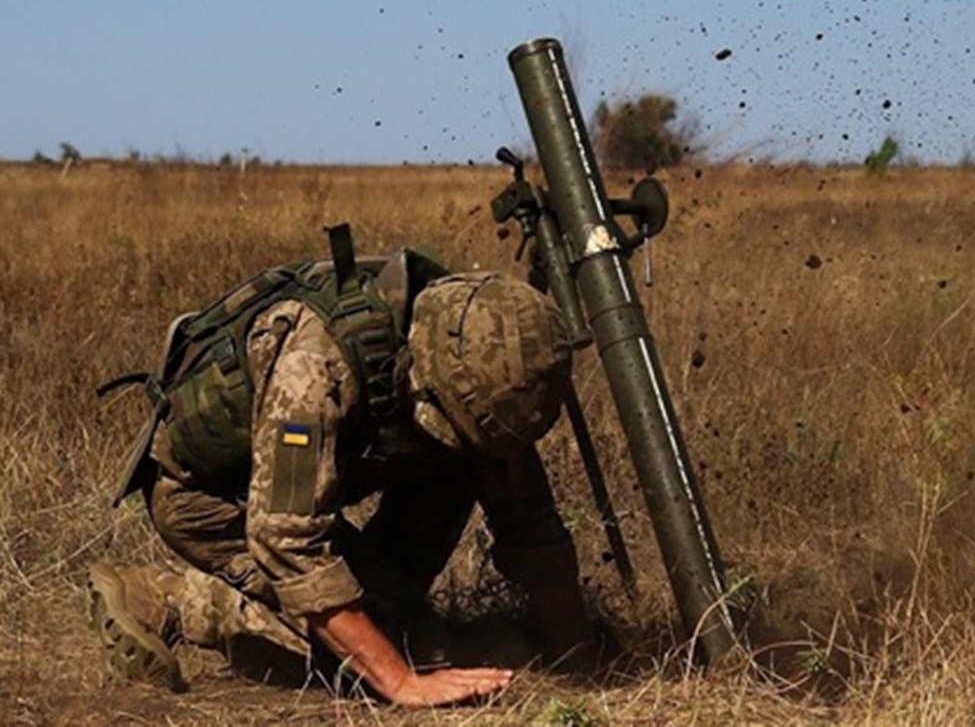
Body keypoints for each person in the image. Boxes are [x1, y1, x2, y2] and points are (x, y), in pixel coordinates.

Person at [89, 235, 599, 707]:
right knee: (400, 647)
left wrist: (582, 661)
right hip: (210, 496)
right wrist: (402, 682)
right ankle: (172, 601)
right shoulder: (313, 367)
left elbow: (525, 515)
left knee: (451, 497)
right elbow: (287, 541)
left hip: (316, 486)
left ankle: (386, 602)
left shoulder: (478, 362)